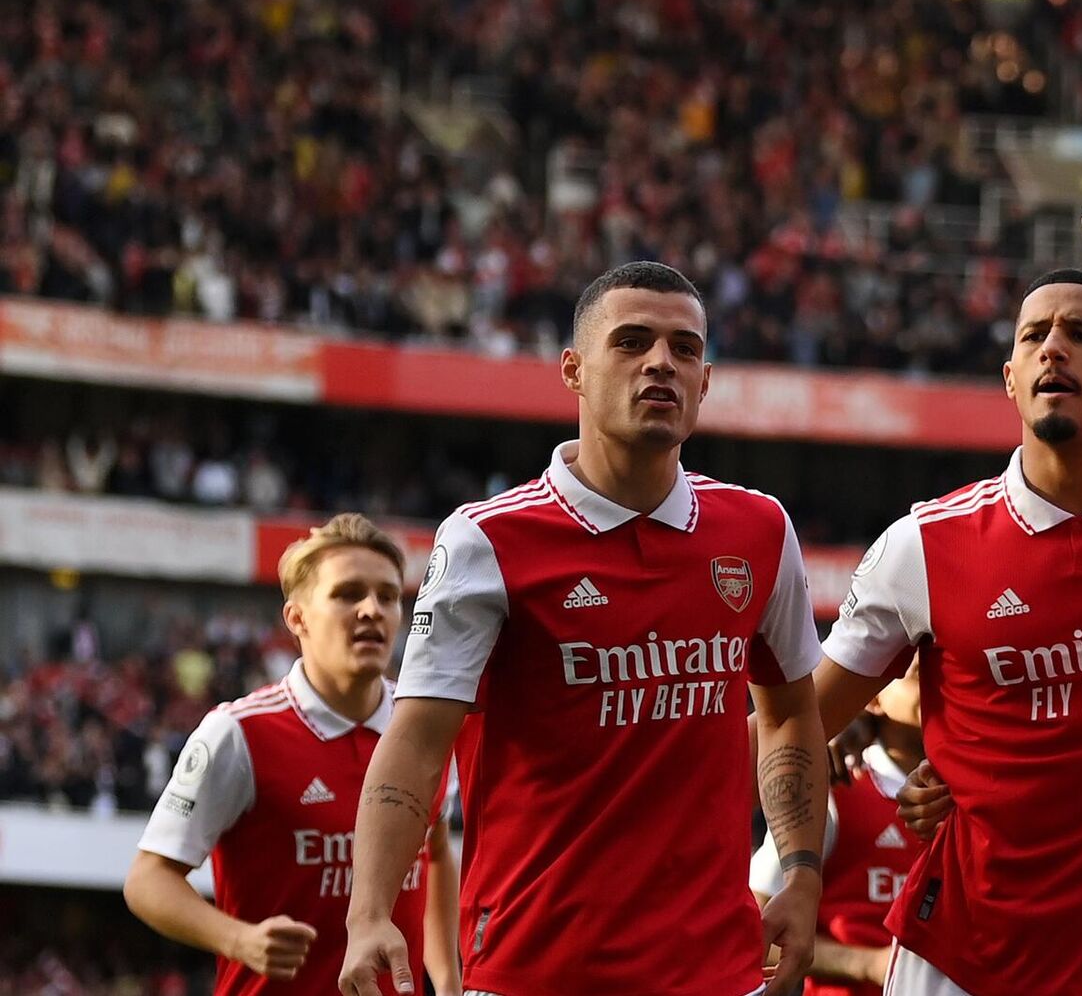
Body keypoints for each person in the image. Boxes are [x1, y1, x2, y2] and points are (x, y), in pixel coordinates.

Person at [338, 262, 830, 996]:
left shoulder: (759, 529)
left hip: (718, 973)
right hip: (535, 971)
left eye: (684, 349)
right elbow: (416, 741)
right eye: (631, 342)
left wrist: (801, 873)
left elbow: (790, 712)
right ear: (572, 369)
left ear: (704, 382)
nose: (661, 362)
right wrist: (369, 912)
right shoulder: (486, 541)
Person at [808, 269, 1082, 995]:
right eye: (1034, 336)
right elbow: (796, 722)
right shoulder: (923, 546)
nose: (1052, 348)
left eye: (1080, 333)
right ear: (1010, 379)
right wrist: (843, 741)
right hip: (960, 956)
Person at [125, 514, 458, 995]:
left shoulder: (426, 726)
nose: (372, 609)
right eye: (348, 594)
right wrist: (239, 940)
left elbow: (437, 853)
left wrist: (447, 979)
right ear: (297, 618)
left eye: (388, 596)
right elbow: (147, 880)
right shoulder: (239, 733)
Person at [751, 663, 928, 996]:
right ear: (873, 698)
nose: (939, 687)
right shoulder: (829, 793)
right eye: (920, 675)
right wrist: (866, 964)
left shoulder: (974, 793)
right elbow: (755, 926)